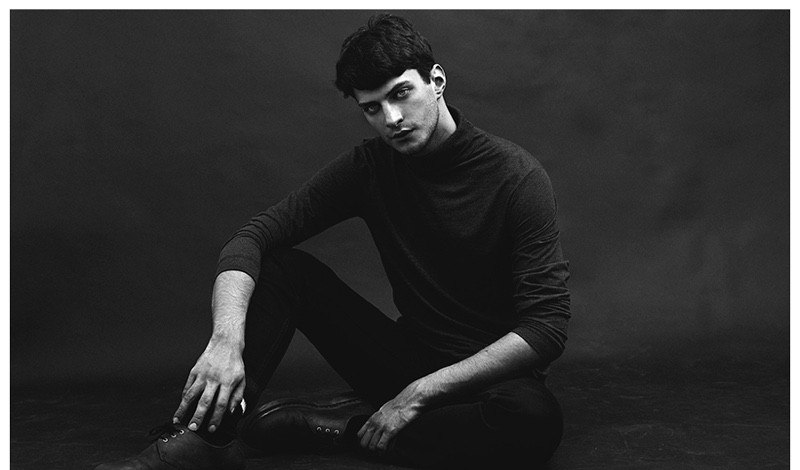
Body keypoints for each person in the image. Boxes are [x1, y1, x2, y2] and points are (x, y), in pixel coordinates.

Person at [96, 13, 570, 470]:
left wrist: (422, 393)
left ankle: (338, 429)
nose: (392, 118)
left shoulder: (516, 177)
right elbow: (253, 237)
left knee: (533, 422)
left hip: (490, 379)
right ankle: (207, 441)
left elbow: (546, 327)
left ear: (437, 81)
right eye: (372, 108)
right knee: (281, 268)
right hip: (404, 360)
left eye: (401, 93)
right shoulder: (371, 168)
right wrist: (225, 341)